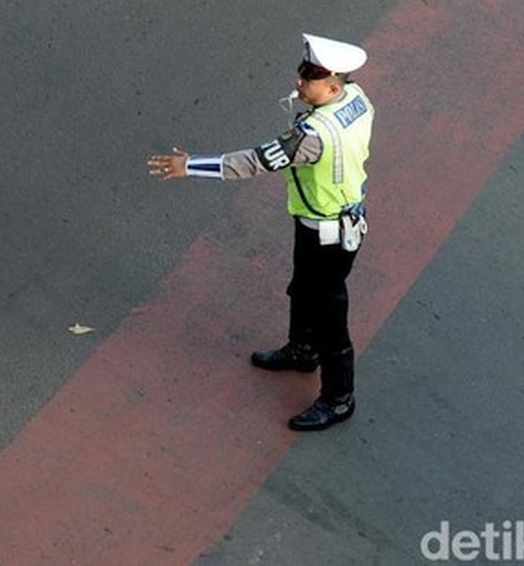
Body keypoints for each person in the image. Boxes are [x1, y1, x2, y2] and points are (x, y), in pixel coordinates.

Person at [147, 33, 375, 431]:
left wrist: (191, 166)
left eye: (312, 75)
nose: (301, 79)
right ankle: (303, 351)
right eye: (304, 70)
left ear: (334, 85)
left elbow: (255, 162)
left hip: (328, 231)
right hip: (327, 222)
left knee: (329, 315)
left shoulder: (312, 137)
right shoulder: (356, 100)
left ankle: (339, 398)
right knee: (303, 289)